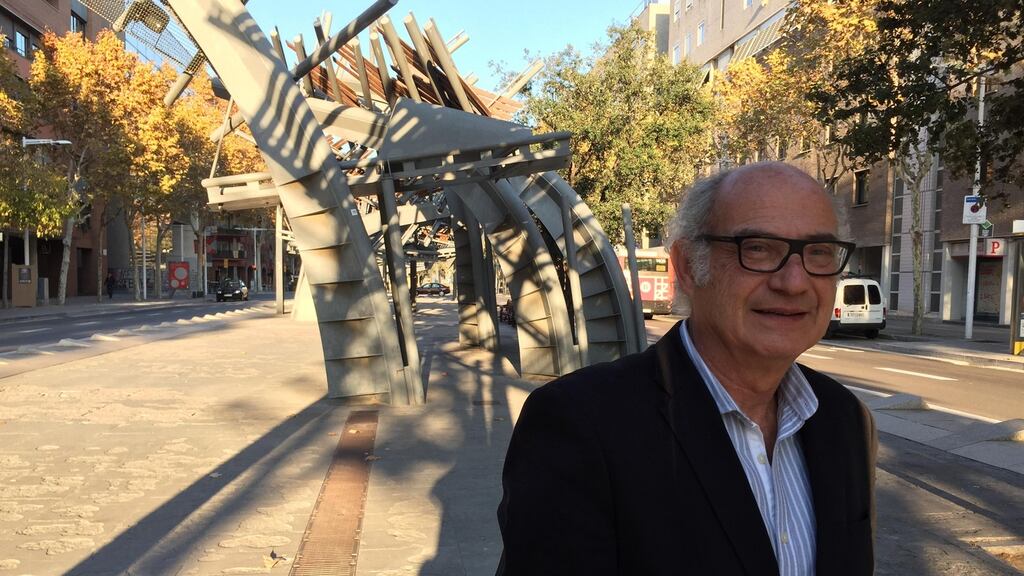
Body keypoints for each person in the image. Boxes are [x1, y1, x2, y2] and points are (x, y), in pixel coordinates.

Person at [496, 162, 877, 576]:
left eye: (819, 253)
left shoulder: (845, 419)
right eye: (758, 248)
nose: (794, 282)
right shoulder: (579, 424)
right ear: (688, 267)